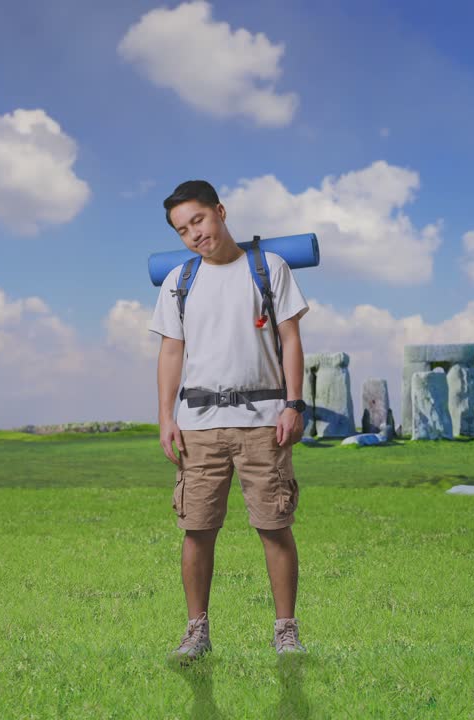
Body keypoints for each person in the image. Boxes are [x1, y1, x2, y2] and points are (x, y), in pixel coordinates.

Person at [148, 180, 310, 662]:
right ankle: (196, 631)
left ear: (219, 211)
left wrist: (294, 403)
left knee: (274, 525)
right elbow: (170, 351)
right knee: (196, 529)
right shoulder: (179, 280)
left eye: (198, 220)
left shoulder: (268, 268)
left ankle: (286, 631)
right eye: (182, 229)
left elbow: (291, 338)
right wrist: (165, 417)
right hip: (198, 424)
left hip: (264, 420)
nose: (194, 233)